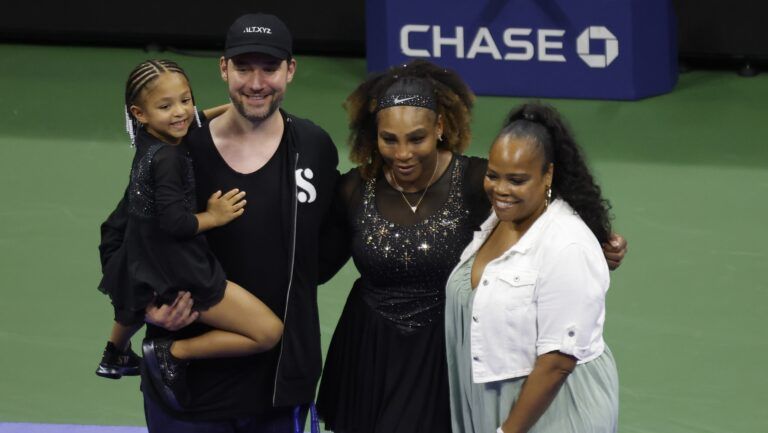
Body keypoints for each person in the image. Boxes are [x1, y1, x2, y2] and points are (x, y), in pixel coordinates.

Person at [316, 62, 626, 432]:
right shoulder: (353, 190)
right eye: (389, 139)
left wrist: (598, 238)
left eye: (416, 138)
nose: (402, 153)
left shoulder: (481, 182)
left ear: (440, 128)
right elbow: (317, 266)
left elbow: (544, 200)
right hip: (369, 351)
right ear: (375, 135)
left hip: (444, 354)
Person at [98, 14, 340, 432]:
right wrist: (148, 308)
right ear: (223, 68)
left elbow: (330, 246)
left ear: (291, 70)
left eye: (270, 68)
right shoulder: (178, 151)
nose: (257, 82)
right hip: (187, 393)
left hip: (279, 388)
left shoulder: (313, 147)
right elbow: (122, 235)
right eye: (244, 68)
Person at [96, 58, 285, 410]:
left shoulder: (151, 136)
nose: (181, 112)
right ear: (139, 113)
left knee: (130, 306)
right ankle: (170, 354)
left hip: (143, 256)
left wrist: (239, 104)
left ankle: (114, 354)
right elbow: (176, 223)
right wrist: (214, 216)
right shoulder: (167, 159)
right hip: (179, 269)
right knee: (268, 332)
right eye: (166, 105)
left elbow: (194, 118)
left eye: (185, 100)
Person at [444, 102, 619, 433]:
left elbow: (557, 363)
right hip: (496, 400)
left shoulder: (568, 244)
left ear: (548, 174)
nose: (501, 189)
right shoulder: (496, 221)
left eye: (517, 179)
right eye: (493, 175)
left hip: (554, 409)